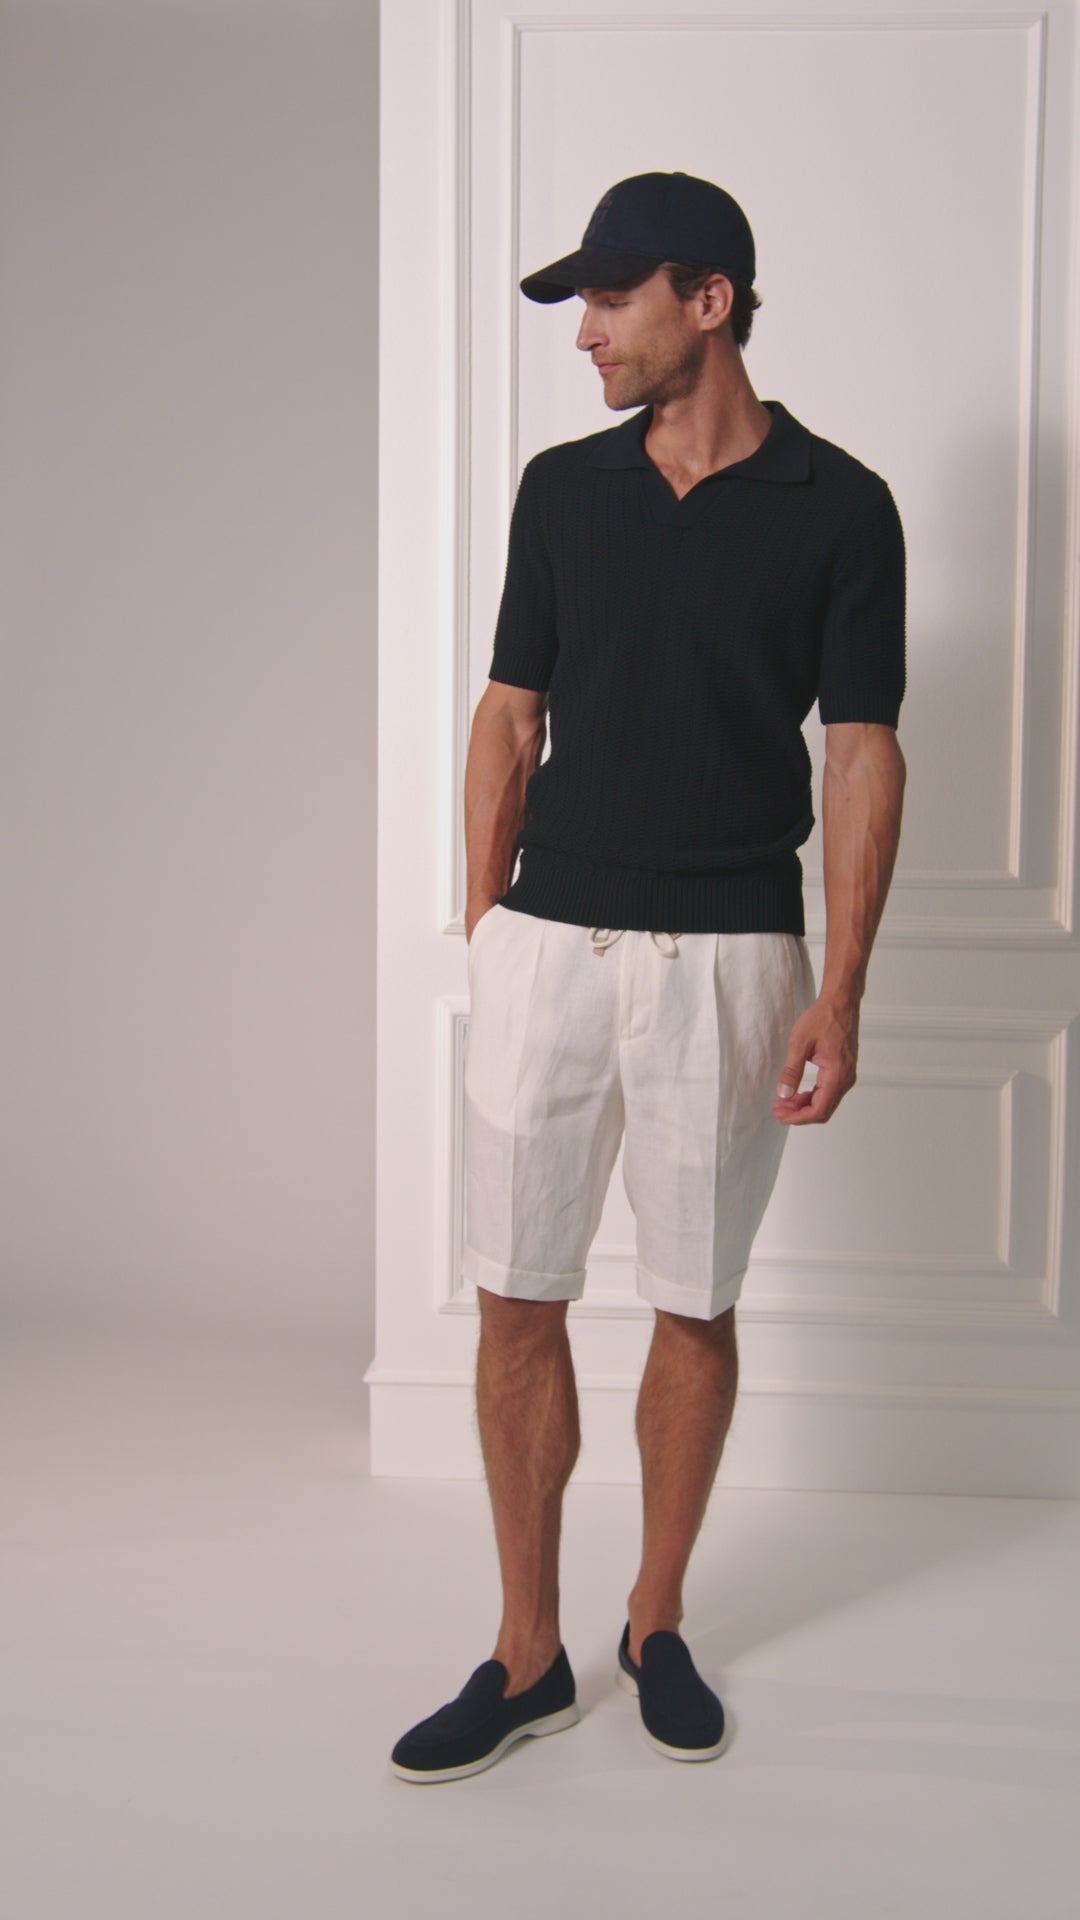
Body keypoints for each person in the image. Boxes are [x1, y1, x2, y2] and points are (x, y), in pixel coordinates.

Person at [390, 170, 907, 1784]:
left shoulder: (842, 505)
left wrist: (842, 989)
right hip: (552, 943)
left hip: (735, 954)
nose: (587, 334)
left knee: (696, 1297)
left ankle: (655, 1621)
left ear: (711, 301)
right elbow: (508, 712)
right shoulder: (562, 491)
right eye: (583, 306)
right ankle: (525, 1653)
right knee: (515, 1293)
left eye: (612, 300)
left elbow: (863, 751)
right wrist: (488, 920)